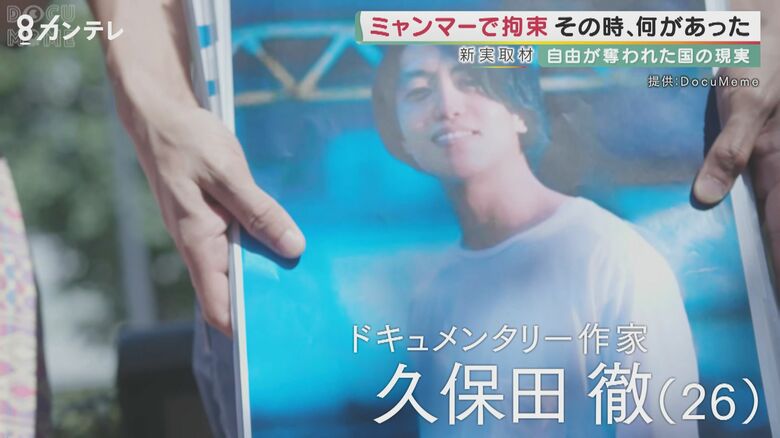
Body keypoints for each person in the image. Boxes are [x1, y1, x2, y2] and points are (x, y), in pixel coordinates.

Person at [372, 45, 699, 436]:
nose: (447, 106)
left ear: (520, 110)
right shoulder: (431, 296)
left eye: (471, 81)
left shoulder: (612, 256)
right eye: (419, 92)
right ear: (402, 137)